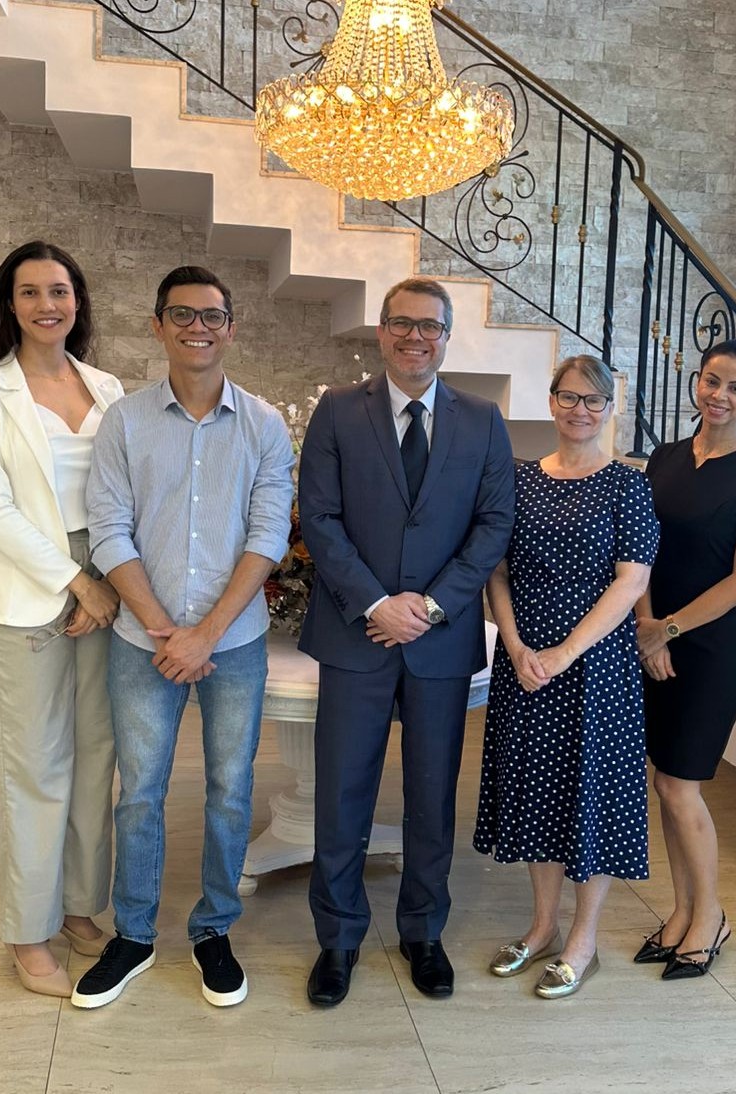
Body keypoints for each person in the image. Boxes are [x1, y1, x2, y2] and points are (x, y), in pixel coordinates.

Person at [73, 267, 294, 1009]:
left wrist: (207, 633)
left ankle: (214, 929)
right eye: (182, 314)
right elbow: (109, 528)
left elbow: (268, 535)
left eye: (212, 316)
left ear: (231, 328)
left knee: (231, 790)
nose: (198, 327)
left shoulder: (263, 425)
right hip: (144, 642)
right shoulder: (125, 422)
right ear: (158, 325)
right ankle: (134, 935)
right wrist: (168, 630)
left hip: (234, 643)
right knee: (140, 792)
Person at [297, 276, 515, 1007]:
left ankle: (423, 930)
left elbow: (493, 525)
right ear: (381, 331)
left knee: (432, 793)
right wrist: (376, 603)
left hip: (440, 640)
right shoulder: (338, 409)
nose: (415, 337)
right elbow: (320, 518)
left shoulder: (483, 420)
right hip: (356, 634)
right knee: (342, 792)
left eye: (430, 326)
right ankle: (338, 939)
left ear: (447, 336)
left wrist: (430, 605)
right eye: (401, 324)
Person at [0, 240, 123, 998]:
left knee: (94, 756)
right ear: (10, 304)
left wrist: (106, 582)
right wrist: (75, 582)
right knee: (34, 765)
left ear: (77, 300)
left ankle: (80, 907)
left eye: (59, 290)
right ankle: (28, 930)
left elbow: (125, 491)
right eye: (30, 292)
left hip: (106, 586)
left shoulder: (108, 387)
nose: (46, 305)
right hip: (28, 592)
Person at [474, 354, 658, 999]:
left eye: (594, 400)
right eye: (569, 397)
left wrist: (564, 653)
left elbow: (631, 582)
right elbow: (496, 571)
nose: (580, 409)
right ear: (551, 401)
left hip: (596, 668)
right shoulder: (519, 479)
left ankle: (584, 939)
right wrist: (516, 644)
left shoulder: (628, 485)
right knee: (535, 793)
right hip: (524, 663)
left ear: (609, 409)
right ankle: (543, 926)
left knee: (590, 796)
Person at [634, 338, 736, 980]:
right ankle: (681, 912)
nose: (719, 395)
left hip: (712, 646)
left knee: (680, 784)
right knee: (664, 782)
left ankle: (712, 916)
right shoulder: (664, 458)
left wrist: (666, 630)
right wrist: (646, 627)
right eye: (711, 381)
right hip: (653, 636)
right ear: (697, 381)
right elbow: (637, 550)